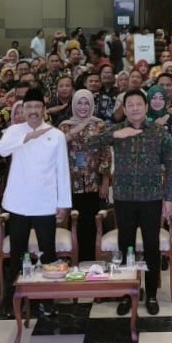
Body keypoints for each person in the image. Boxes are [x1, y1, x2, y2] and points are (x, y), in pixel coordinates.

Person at [95, 89, 172, 316]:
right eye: (129, 105)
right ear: (124, 108)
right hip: (124, 198)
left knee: (151, 246)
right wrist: (115, 135)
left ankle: (151, 293)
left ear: (146, 106)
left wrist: (169, 198)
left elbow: (171, 166)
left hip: (152, 198)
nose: (134, 108)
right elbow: (91, 143)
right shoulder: (117, 130)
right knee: (126, 246)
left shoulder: (159, 132)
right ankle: (127, 293)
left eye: (138, 104)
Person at [0, 92, 73, 315]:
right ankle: (12, 300)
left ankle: (47, 300)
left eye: (37, 107)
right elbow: (1, 149)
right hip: (19, 203)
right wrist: (27, 137)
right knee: (17, 254)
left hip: (45, 203)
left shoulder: (56, 135)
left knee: (48, 253)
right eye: (28, 107)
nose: (33, 111)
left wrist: (63, 203)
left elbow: (62, 171)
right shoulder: (14, 131)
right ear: (22, 110)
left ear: (43, 110)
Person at [62, 90, 107, 263]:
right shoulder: (65, 126)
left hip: (94, 182)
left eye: (86, 103)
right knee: (74, 221)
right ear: (74, 104)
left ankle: (92, 260)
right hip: (71, 183)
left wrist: (104, 181)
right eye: (79, 103)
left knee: (92, 221)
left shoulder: (100, 125)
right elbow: (57, 152)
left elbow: (106, 154)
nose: (83, 107)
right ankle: (75, 260)